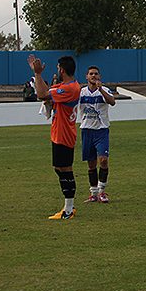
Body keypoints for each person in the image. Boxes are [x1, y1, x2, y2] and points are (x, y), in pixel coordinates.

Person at [28, 54, 81, 220]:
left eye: (58, 68)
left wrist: (37, 74)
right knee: (59, 168)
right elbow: (45, 91)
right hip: (59, 132)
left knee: (65, 169)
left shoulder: (69, 88)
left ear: (62, 70)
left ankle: (69, 209)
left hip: (64, 133)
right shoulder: (65, 85)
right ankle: (68, 207)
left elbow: (42, 94)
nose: (57, 71)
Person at [78, 65, 117, 203]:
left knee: (103, 160)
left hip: (101, 130)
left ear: (99, 76)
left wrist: (100, 89)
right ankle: (93, 193)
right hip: (87, 130)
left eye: (95, 74)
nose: (93, 76)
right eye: (91, 74)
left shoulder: (104, 90)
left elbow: (112, 102)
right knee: (91, 164)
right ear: (86, 77)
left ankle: (102, 191)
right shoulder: (81, 92)